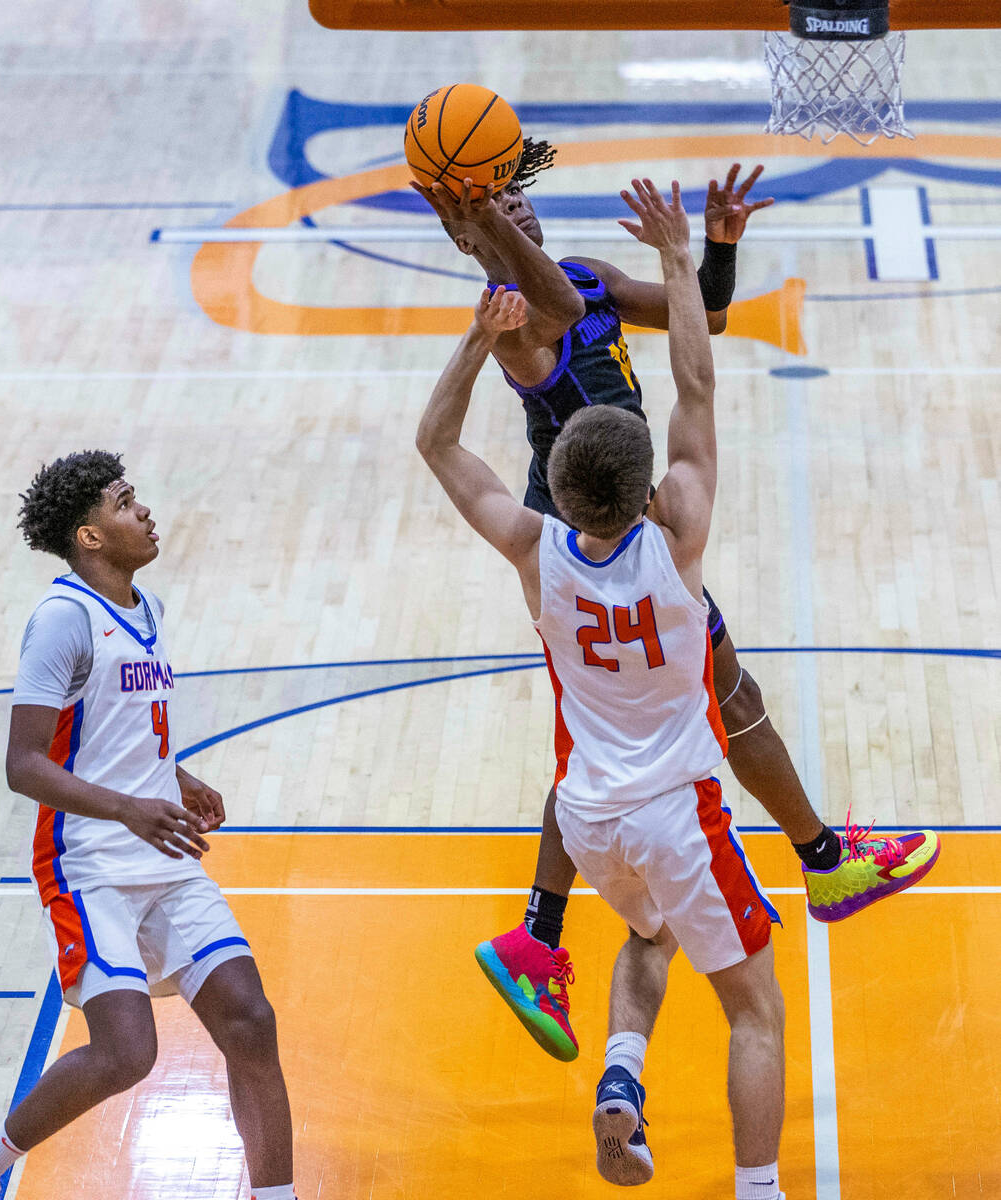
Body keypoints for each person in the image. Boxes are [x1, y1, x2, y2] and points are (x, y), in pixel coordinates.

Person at [413, 150, 939, 1061]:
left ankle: (801, 865)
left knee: (685, 712)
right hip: (587, 525)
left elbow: (709, 315)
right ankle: (810, 865)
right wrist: (479, 219)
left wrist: (715, 248)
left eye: (515, 192)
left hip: (629, 508)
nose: (514, 207)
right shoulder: (512, 321)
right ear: (465, 232)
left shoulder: (584, 274)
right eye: (491, 203)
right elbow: (565, 317)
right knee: (617, 730)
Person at [417, 177, 790, 1196]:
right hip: (675, 809)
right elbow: (698, 394)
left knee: (644, 932)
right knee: (754, 1009)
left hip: (594, 822)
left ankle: (619, 1086)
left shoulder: (535, 553)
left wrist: (698, 257)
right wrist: (487, 225)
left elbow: (440, 448)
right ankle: (758, 1187)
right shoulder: (679, 545)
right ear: (653, 491)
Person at [0, 452, 296, 1200]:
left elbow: (118, 728)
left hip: (162, 851)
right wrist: (130, 806)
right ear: (90, 536)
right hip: (88, 861)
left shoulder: (144, 607)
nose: (144, 511)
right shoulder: (62, 620)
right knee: (127, 1053)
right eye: (126, 503)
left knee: (251, 1022)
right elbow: (24, 764)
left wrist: (175, 778)